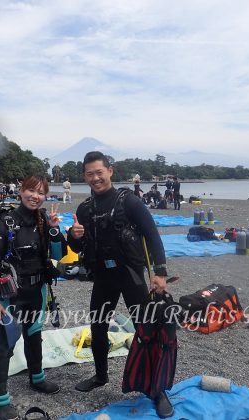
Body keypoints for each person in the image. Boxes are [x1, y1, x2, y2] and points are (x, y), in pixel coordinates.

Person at [67, 151, 173, 418]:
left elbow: (152, 234)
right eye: (89, 174)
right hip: (103, 276)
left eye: (99, 172)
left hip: (131, 275)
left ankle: (158, 390)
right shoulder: (84, 208)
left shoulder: (130, 201)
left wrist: (159, 273)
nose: (95, 178)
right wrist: (73, 235)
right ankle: (101, 376)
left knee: (145, 329)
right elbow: (77, 246)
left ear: (110, 171)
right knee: (98, 327)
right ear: (84, 177)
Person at [0, 175, 67, 420]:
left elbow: (59, 255)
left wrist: (54, 229)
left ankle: (37, 378)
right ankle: (0, 400)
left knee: (34, 335)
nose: (35, 196)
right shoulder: (3, 224)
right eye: (31, 190)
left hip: (37, 290)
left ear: (45, 196)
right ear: (21, 191)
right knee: (5, 345)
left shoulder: (43, 220)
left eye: (40, 192)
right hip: (11, 296)